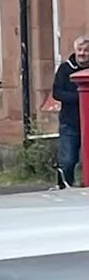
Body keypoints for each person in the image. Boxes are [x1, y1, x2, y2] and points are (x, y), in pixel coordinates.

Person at [51, 35, 89, 188]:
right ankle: (63, 188)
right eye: (80, 50)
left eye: (86, 51)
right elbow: (57, 93)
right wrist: (80, 96)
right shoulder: (65, 69)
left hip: (87, 122)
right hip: (70, 122)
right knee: (68, 160)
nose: (82, 53)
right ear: (75, 50)